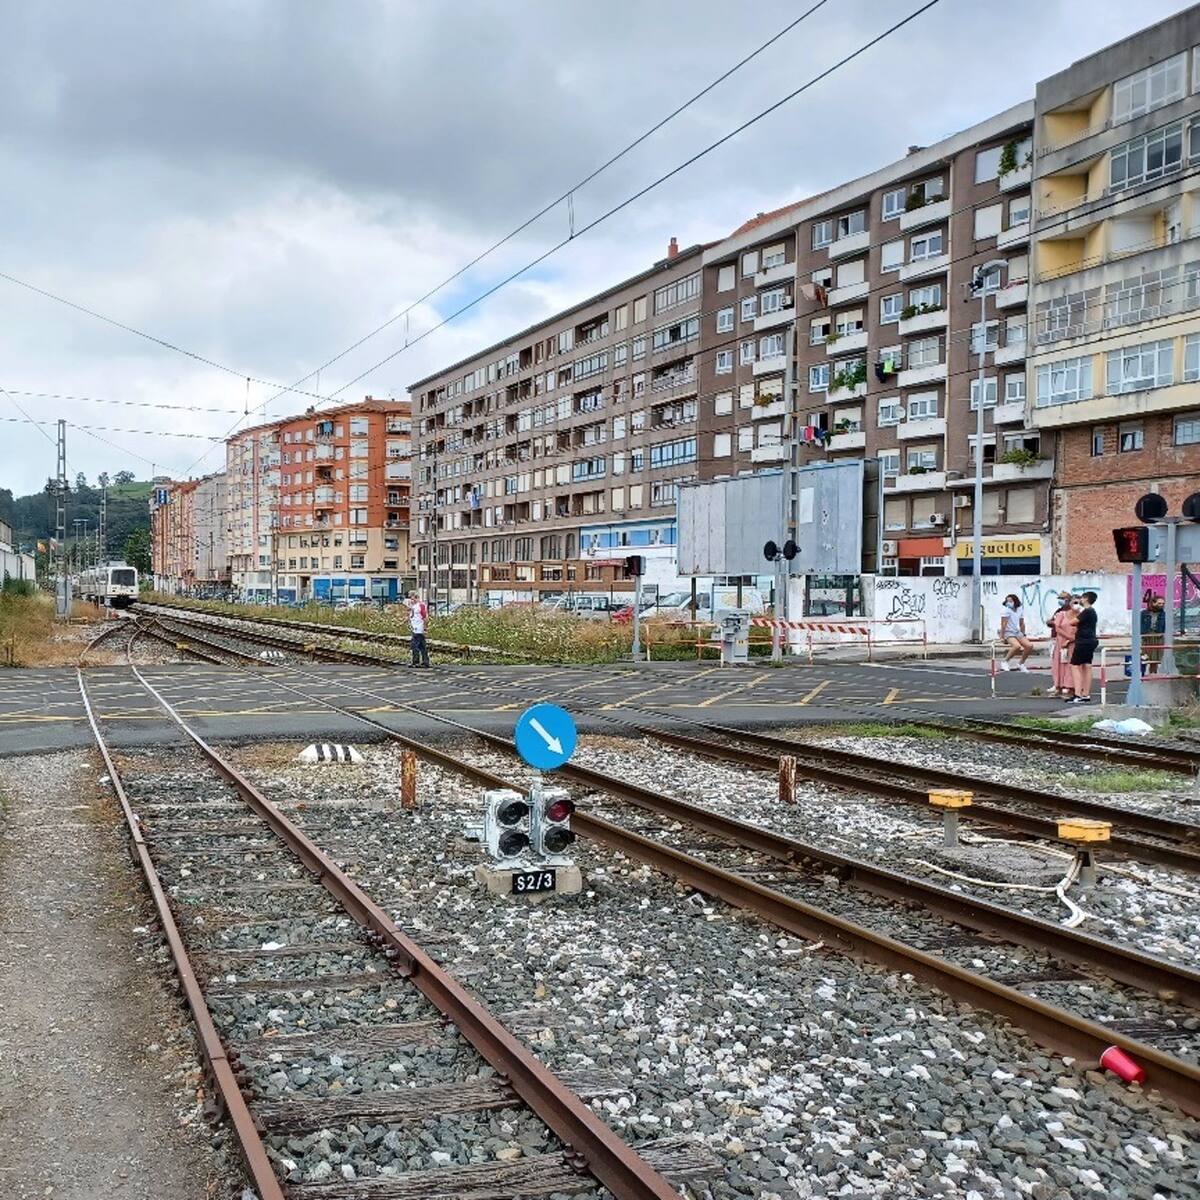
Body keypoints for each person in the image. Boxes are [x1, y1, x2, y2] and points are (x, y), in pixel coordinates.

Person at [1070, 590, 1099, 704]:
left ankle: (1078, 694)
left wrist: (1074, 610)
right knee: (1087, 666)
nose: (1080, 601)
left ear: (1086, 599)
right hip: (1090, 640)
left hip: (1083, 641)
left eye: (1082, 598)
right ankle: (1085, 694)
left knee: (1075, 666)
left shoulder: (1086, 611)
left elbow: (1072, 622)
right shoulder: (1092, 612)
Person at [1047, 591, 1077, 699]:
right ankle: (1058, 686)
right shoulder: (1060, 612)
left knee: (1070, 665)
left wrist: (1070, 639)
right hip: (1060, 642)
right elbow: (1056, 626)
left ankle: (1070, 687)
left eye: (1062, 598)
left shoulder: (1078, 614)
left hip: (1072, 643)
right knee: (1058, 664)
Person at [998, 593, 1033, 672]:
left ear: (1015, 601)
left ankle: (1021, 663)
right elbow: (1003, 624)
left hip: (1016, 631)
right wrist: (1002, 637)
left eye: (1010, 601)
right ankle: (1005, 661)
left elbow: (1022, 623)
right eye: (1007, 601)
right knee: (1016, 646)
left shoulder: (1020, 610)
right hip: (1007, 631)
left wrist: (1023, 634)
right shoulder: (1006, 610)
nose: (1008, 603)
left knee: (1029, 646)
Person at [404, 590, 430, 667]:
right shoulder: (414, 606)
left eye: (412, 598)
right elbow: (411, 617)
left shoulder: (421, 606)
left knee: (414, 645)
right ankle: (425, 662)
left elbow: (425, 618)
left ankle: (416, 662)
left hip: (419, 629)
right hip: (415, 628)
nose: (411, 600)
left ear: (416, 597)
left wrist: (425, 628)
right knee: (422, 646)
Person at [1141, 594, 1166, 674]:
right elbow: (1139, 625)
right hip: (1146, 637)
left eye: (1163, 604)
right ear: (1153, 603)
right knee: (1144, 657)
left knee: (1154, 660)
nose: (1161, 605)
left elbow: (1165, 626)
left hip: (1158, 637)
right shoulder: (1144, 613)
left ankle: (1152, 675)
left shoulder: (1163, 614)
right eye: (1159, 603)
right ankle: (1141, 675)